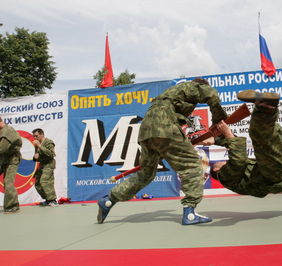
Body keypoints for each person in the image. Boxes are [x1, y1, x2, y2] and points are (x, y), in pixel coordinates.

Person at [97, 78, 228, 225]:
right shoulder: (192, 86)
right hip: (164, 128)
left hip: (147, 130)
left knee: (146, 174)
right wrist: (219, 119)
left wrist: (165, 149)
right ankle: (190, 213)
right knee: (192, 165)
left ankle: (109, 200)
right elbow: (211, 94)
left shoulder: (170, 97)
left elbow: (173, 127)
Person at [0, 117, 22, 214]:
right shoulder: (3, 131)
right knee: (7, 182)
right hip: (4, 160)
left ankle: (12, 206)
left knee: (8, 182)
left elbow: (2, 149)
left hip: (12, 160)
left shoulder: (7, 131)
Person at [32, 128, 58, 206]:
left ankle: (53, 200)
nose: (35, 138)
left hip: (49, 164)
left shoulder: (48, 142)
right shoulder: (37, 144)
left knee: (45, 181)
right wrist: (35, 157)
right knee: (37, 183)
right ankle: (47, 199)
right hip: (42, 164)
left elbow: (51, 154)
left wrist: (39, 146)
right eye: (34, 136)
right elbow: (38, 157)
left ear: (42, 134)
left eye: (36, 136)